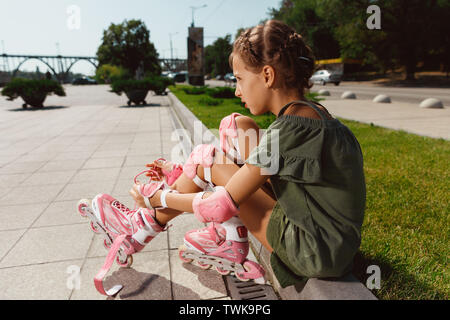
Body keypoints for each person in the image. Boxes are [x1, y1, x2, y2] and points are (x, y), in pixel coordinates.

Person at [129, 19, 366, 288]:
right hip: (334, 245)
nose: (236, 90)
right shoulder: (316, 116)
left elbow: (219, 205)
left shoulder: (287, 131)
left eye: (240, 79)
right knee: (237, 126)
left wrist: (157, 196)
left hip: (313, 252)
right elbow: (269, 178)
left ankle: (143, 224)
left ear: (267, 75)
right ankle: (176, 220)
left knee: (209, 159)